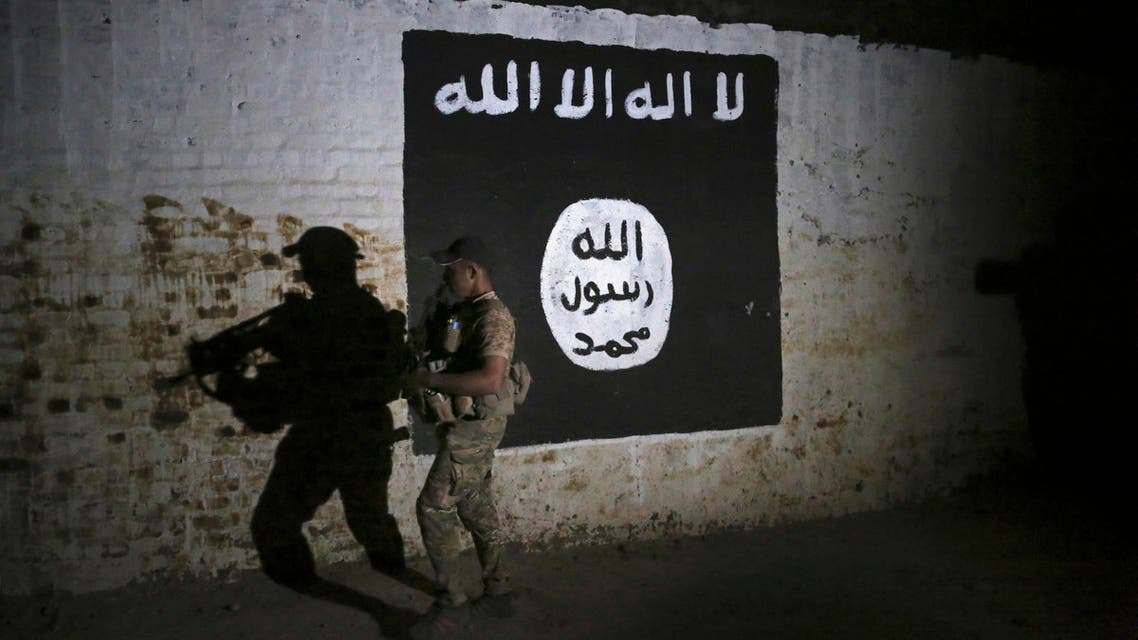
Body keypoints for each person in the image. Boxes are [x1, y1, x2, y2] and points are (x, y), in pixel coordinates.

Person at [237, 226, 409, 587]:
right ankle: (404, 580)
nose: (304, 270)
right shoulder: (358, 307)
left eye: (308, 262)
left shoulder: (325, 314)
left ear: (322, 265)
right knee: (368, 518)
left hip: (333, 431)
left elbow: (310, 364)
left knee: (280, 520)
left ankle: (390, 585)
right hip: (355, 430)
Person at [409, 235, 517, 628]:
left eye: (451, 269)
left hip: (474, 433)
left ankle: (451, 604)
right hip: (468, 427)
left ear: (472, 271)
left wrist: (427, 379)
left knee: (433, 507)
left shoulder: (492, 317)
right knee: (474, 504)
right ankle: (500, 589)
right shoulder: (469, 311)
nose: (445, 277)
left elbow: (491, 379)